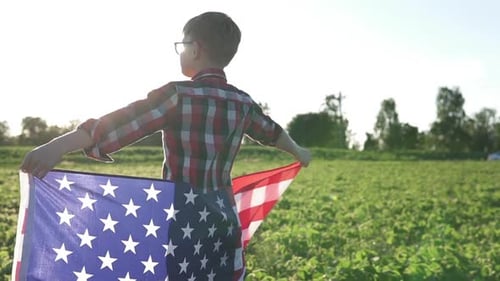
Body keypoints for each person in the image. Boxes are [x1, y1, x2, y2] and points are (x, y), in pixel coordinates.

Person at [21, 11, 311, 280]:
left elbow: (117, 124)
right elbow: (273, 133)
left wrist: (57, 146)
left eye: (182, 45)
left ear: (195, 49)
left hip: (184, 220)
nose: (181, 52)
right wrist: (299, 152)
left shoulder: (177, 96)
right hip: (224, 222)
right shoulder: (243, 103)